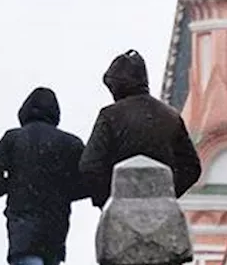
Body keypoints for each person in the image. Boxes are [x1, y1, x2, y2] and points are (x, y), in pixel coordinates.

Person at [0, 87, 86, 265]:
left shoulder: (13, 139)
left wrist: (12, 186)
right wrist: (62, 192)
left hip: (22, 230)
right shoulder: (71, 143)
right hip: (55, 229)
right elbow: (89, 181)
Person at [80, 50, 202, 207]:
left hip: (121, 211)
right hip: (161, 211)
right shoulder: (170, 117)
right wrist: (167, 193)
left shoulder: (110, 115)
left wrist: (109, 199)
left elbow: (90, 165)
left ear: (116, 85)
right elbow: (191, 167)